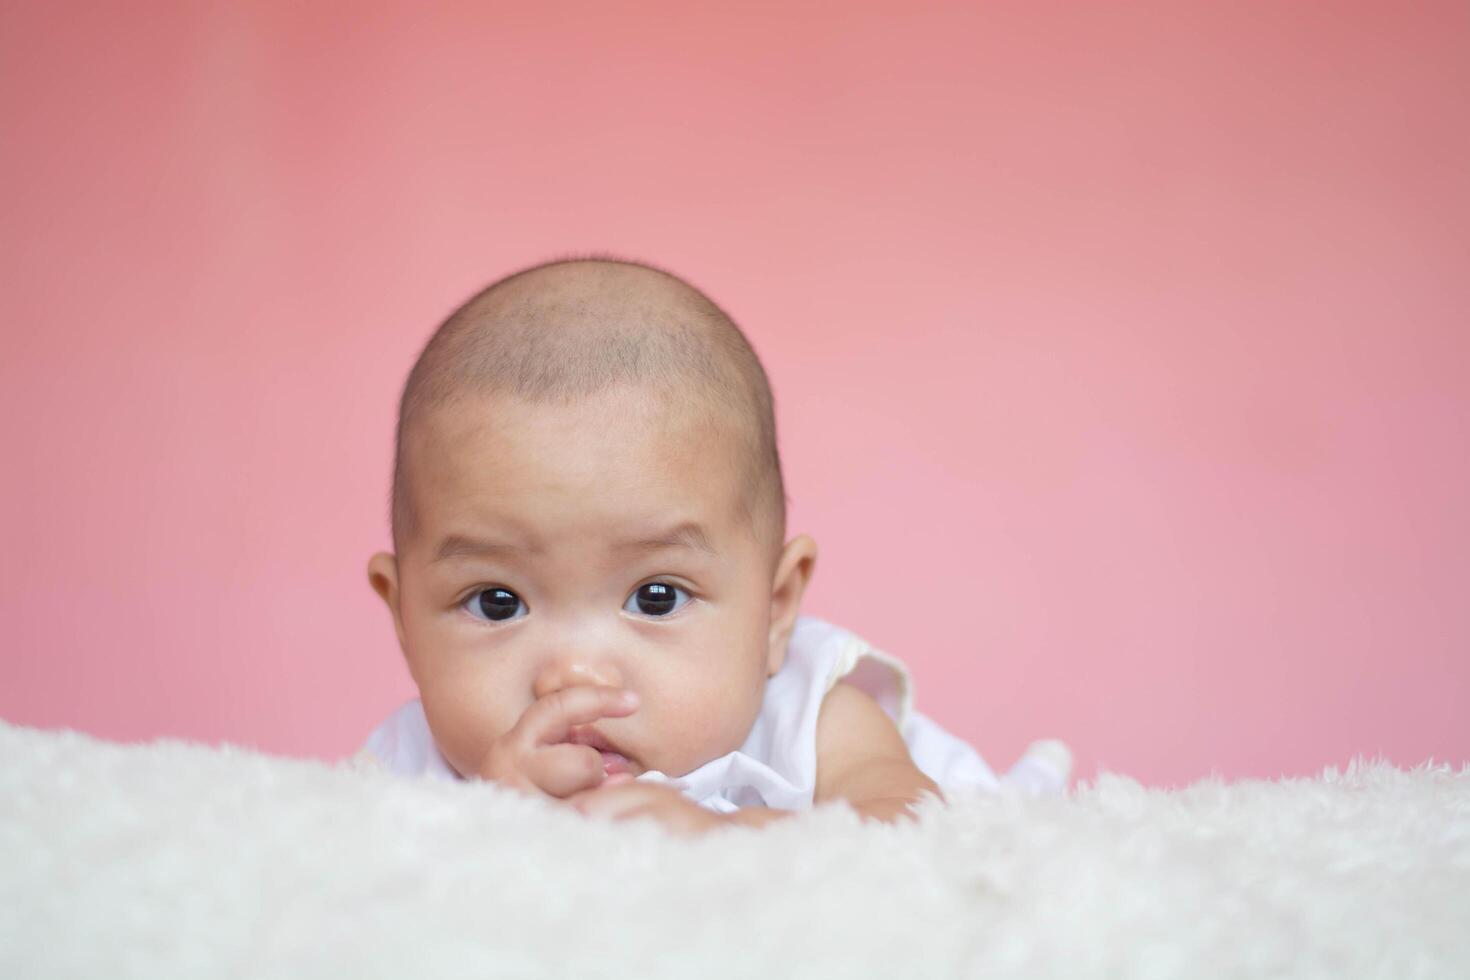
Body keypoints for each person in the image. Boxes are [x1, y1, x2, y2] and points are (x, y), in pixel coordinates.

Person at [357, 255, 1070, 835]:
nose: (574, 678)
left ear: (776, 608)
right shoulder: (405, 768)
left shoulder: (806, 715)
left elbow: (906, 825)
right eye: (498, 602)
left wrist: (732, 842)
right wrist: (483, 828)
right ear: (403, 617)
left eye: (656, 597)